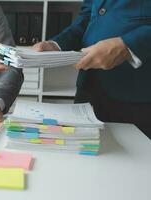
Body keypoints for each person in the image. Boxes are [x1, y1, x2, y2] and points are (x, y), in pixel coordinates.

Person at [33, 0, 151, 138]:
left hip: (140, 93)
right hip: (88, 89)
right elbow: (89, 15)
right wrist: (56, 44)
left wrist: (127, 45)